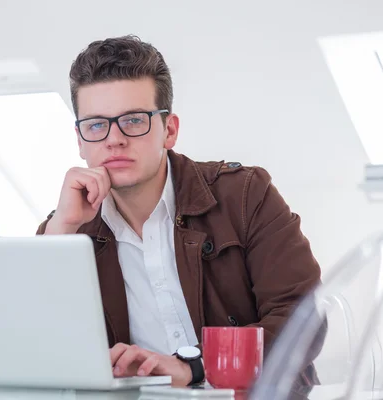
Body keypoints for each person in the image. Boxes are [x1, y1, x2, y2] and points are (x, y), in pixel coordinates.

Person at [36, 35, 322, 388]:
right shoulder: (66, 228)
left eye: (134, 120)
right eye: (96, 125)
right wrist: (61, 227)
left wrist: (194, 368)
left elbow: (304, 320)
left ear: (168, 130)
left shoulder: (244, 194)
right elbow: (33, 346)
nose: (114, 139)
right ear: (80, 141)